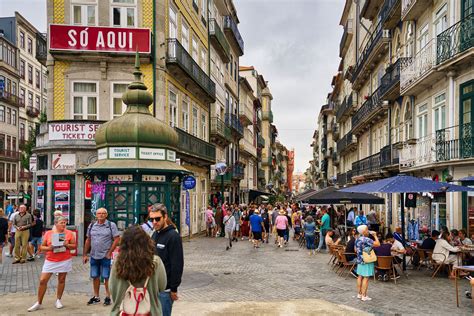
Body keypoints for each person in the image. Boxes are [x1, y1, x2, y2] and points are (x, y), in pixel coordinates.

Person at [110, 226, 167, 316]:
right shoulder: (156, 262)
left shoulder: (117, 263)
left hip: (122, 312)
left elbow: (113, 290)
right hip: (151, 312)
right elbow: (162, 286)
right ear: (146, 242)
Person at [27, 216, 76, 312]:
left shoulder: (69, 233)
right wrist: (50, 248)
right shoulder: (49, 233)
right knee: (43, 280)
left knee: (61, 280)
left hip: (64, 259)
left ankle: (58, 300)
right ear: (56, 223)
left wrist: (67, 245)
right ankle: (39, 302)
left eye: (65, 223)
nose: (63, 224)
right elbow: (42, 247)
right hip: (50, 260)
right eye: (61, 222)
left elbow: (74, 246)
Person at [150, 203, 184, 316]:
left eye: (157, 218)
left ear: (165, 217)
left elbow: (177, 264)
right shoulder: (154, 234)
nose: (154, 222)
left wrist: (173, 288)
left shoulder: (173, 236)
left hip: (165, 290)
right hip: (152, 288)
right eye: (152, 219)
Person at [83, 208, 120, 306]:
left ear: (106, 215)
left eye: (103, 213)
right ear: (96, 214)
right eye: (99, 213)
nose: (101, 215)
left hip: (105, 256)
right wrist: (85, 254)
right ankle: (96, 297)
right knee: (95, 276)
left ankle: (108, 297)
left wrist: (110, 252)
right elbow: (88, 240)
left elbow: (117, 239)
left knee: (106, 277)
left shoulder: (111, 225)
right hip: (94, 255)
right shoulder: (91, 226)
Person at [355, 225, 380, 301]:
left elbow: (355, 250)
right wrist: (375, 236)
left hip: (360, 260)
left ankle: (359, 294)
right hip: (367, 260)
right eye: (366, 229)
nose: (368, 231)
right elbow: (378, 244)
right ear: (363, 231)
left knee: (359, 277)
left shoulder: (357, 239)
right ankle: (364, 295)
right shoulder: (366, 239)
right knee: (366, 277)